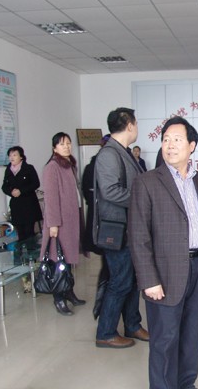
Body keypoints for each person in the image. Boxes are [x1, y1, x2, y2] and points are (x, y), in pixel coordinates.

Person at [128, 116, 198, 389]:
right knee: (165, 338)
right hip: (164, 271)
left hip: (197, 267)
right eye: (166, 140)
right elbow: (138, 236)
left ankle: (186, 384)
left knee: (192, 335)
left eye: (177, 140)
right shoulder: (147, 182)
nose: (170, 145)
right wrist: (149, 280)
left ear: (192, 146)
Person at [94, 107, 149, 348]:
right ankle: (105, 332)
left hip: (129, 228)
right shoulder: (109, 154)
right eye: (135, 123)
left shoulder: (122, 152)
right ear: (129, 125)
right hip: (116, 230)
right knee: (120, 281)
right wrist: (142, 199)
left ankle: (132, 325)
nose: (137, 128)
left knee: (132, 280)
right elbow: (110, 191)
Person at [40, 132, 86, 316]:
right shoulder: (52, 167)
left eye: (68, 143)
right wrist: (53, 224)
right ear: (54, 148)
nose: (66, 146)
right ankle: (58, 298)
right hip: (59, 223)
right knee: (57, 260)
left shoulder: (69, 164)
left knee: (66, 259)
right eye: (62, 144)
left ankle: (69, 291)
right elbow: (50, 198)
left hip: (71, 219)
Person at [82, 134, 110, 319]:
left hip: (100, 220)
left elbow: (87, 194)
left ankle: (102, 302)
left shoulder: (93, 165)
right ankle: (102, 305)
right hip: (106, 223)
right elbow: (87, 192)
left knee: (108, 265)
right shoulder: (98, 165)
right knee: (109, 266)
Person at [1, 146, 43, 240]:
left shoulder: (28, 168)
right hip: (16, 206)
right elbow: (4, 186)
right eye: (10, 155)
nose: (12, 157)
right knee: (20, 234)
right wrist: (11, 192)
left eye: (14, 155)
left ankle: (31, 249)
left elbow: (36, 183)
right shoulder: (8, 170)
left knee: (29, 233)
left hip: (29, 205)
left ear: (21, 157)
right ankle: (22, 249)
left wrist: (21, 191)